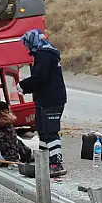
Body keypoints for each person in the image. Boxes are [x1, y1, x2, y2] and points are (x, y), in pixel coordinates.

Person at [17, 29, 68, 177]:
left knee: (50, 131)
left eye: (27, 43)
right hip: (44, 99)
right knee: (43, 131)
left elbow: (40, 77)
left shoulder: (44, 54)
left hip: (51, 99)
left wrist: (23, 85)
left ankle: (56, 163)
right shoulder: (44, 53)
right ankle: (44, 161)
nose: (27, 47)